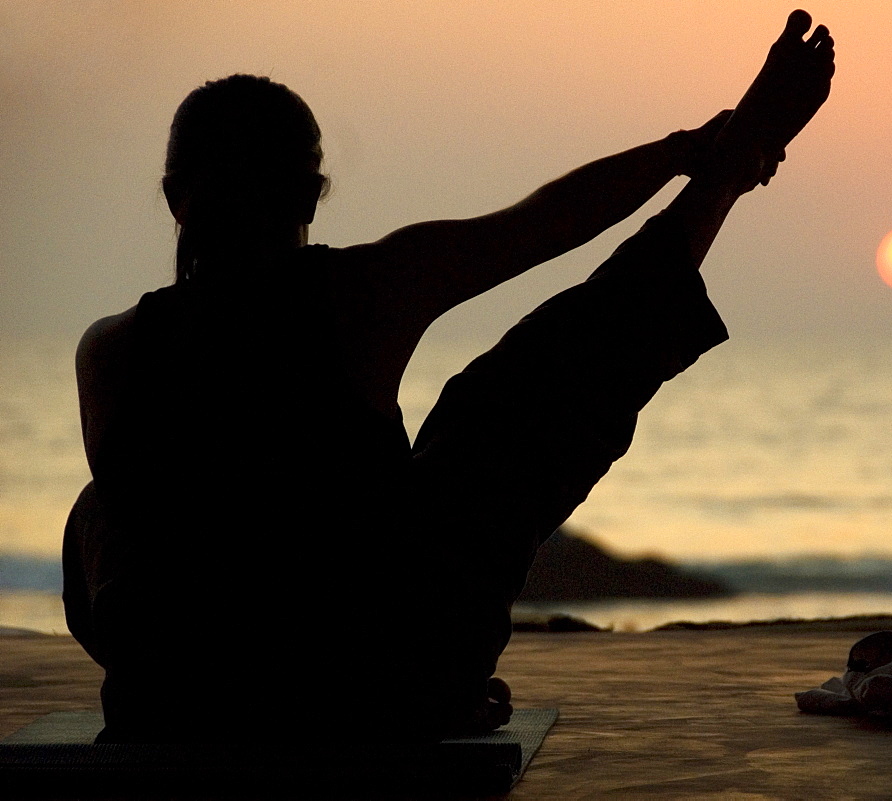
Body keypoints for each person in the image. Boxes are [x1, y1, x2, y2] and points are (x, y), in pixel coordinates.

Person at [63, 10, 834, 743]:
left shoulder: (103, 352)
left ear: (174, 197)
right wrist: (697, 157)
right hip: (375, 685)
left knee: (100, 511)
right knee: (506, 401)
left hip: (178, 694)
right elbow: (547, 222)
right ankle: (722, 187)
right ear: (308, 194)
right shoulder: (365, 291)